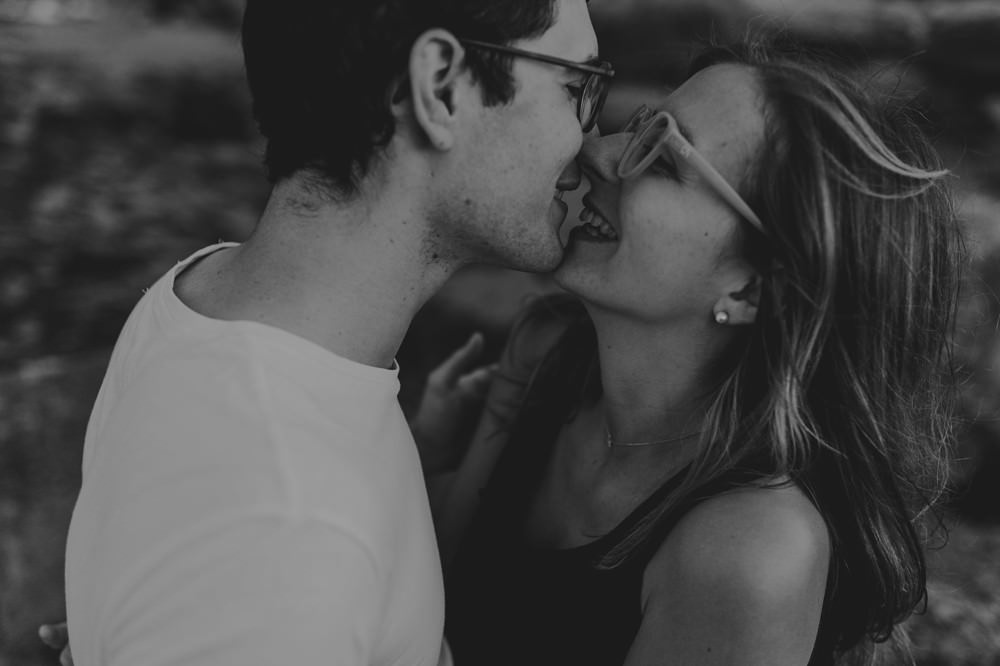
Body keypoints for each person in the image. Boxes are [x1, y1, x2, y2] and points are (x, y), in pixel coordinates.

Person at [51, 0, 614, 665]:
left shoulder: (208, 295)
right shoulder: (284, 524)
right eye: (575, 87)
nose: (596, 141)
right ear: (441, 87)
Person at [432, 40, 964, 665]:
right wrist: (411, 461)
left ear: (751, 289)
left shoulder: (751, 550)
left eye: (661, 158)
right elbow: (431, 594)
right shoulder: (545, 352)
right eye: (634, 128)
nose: (594, 152)